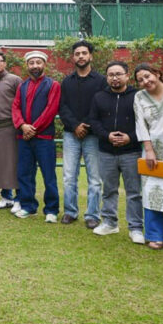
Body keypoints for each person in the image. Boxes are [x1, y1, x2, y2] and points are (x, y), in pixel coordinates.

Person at [88, 61, 144, 244]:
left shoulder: (137, 96)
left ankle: (136, 227)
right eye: (111, 75)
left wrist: (130, 137)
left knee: (134, 192)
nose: (115, 78)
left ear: (127, 75)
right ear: (107, 77)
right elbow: (93, 121)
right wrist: (107, 136)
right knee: (109, 190)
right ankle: (110, 222)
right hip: (106, 151)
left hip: (131, 151)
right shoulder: (99, 97)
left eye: (118, 74)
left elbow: (144, 123)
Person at [59, 41, 107, 229]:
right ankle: (70, 212)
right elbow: (62, 107)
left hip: (93, 134)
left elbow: (101, 106)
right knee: (69, 176)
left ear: (90, 56)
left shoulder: (101, 81)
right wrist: (75, 126)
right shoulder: (67, 81)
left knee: (94, 178)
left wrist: (85, 125)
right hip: (71, 134)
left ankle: (92, 215)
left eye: (84, 53)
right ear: (73, 57)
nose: (80, 56)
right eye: (77, 53)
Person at [11, 50, 60, 222]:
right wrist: (22, 126)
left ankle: (51, 210)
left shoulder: (53, 85)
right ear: (27, 65)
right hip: (24, 138)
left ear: (44, 64)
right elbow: (15, 107)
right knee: (24, 174)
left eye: (38, 62)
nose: (35, 66)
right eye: (31, 63)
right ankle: (28, 206)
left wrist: (33, 128)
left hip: (44, 139)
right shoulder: (22, 86)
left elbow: (51, 109)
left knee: (49, 175)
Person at [133, 63, 163, 249]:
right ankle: (155, 235)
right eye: (140, 80)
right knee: (152, 190)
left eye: (147, 76)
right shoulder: (139, 97)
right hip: (152, 151)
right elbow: (141, 124)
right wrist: (149, 149)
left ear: (157, 73)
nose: (145, 81)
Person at [0, 51, 22, 211]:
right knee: (0, 164)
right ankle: (6, 197)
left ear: (5, 63)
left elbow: (22, 103)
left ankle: (19, 198)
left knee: (13, 163)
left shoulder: (14, 80)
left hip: (11, 127)